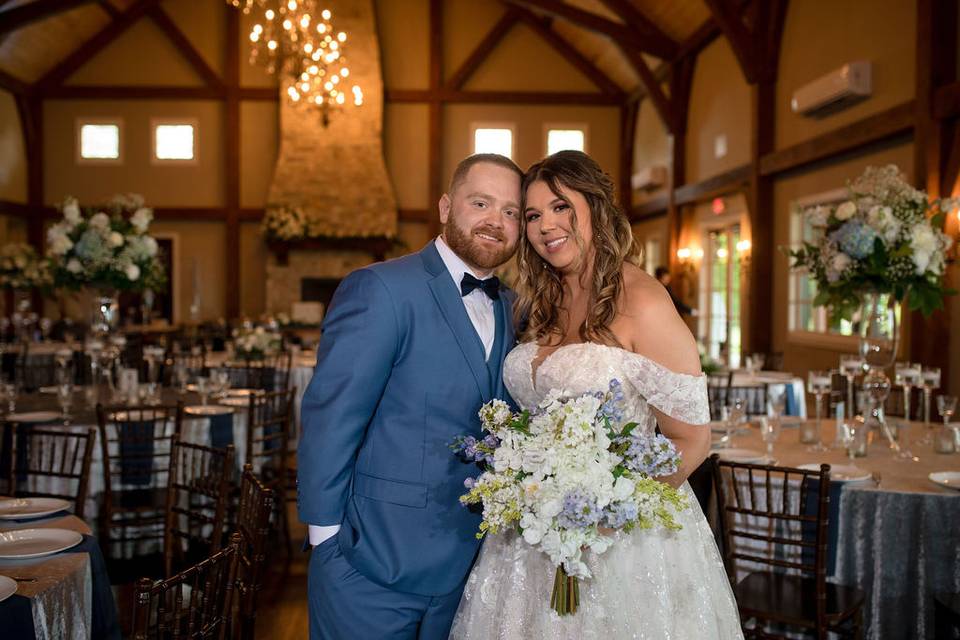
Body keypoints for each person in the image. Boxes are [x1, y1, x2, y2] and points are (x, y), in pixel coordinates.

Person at [449, 150, 741, 638]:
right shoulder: (538, 300)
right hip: (529, 537)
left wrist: (609, 514)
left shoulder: (642, 299)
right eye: (533, 215)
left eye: (561, 207)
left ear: (596, 209)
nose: (546, 226)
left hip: (623, 542)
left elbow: (691, 440)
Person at [298, 154, 523, 639]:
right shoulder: (381, 288)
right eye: (480, 202)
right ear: (446, 207)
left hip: (470, 571)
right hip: (369, 567)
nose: (495, 221)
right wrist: (328, 543)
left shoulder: (514, 309)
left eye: (510, 212)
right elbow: (330, 418)